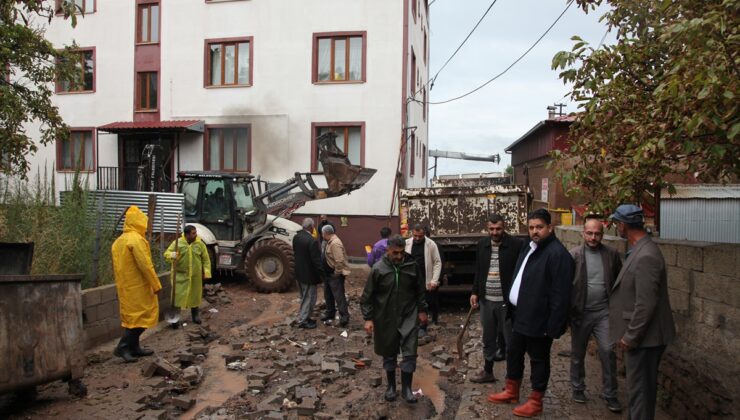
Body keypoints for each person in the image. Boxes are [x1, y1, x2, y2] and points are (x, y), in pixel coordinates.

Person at [488, 208, 574, 417]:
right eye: (531, 227)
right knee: (513, 352)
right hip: (519, 314)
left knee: (538, 359)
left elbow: (561, 296)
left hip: (540, 319)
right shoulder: (529, 246)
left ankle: (536, 401)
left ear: (550, 228)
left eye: (539, 227)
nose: (535, 231)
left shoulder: (557, 254)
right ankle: (511, 390)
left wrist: (553, 327)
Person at [610, 204, 675, 420]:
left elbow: (646, 303)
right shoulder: (638, 249)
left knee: (642, 394)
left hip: (646, 339)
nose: (616, 227)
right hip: (643, 338)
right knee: (637, 392)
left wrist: (630, 337)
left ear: (623, 225)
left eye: (617, 222)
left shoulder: (646, 255)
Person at [361, 234, 428, 404]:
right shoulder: (378, 269)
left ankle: (406, 389)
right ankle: (391, 386)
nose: (399, 256)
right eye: (395, 253)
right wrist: (368, 319)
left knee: (410, 352)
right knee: (389, 352)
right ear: (387, 251)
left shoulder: (412, 266)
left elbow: (420, 290)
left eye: (401, 253)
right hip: (385, 316)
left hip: (408, 314)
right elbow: (367, 296)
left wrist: (422, 310)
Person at [569, 216, 623, 412]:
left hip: (603, 312)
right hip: (580, 312)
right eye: (589, 233)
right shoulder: (573, 255)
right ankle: (577, 388)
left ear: (603, 234)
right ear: (583, 233)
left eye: (597, 233)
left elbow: (619, 281)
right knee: (577, 353)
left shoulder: (612, 254)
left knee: (608, 351)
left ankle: (610, 394)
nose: (593, 237)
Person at [469, 215, 524, 383]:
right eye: (491, 229)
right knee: (488, 338)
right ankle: (488, 371)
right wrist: (475, 292)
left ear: (504, 227)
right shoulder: (482, 245)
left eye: (498, 229)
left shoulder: (515, 245)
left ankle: (512, 377)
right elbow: (478, 270)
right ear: (487, 228)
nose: (495, 232)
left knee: (510, 340)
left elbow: (521, 272)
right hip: (487, 300)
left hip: (507, 303)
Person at [111, 205, 162, 363]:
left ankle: (134, 347)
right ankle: (123, 347)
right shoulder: (136, 240)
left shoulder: (119, 241)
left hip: (126, 287)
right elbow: (145, 265)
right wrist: (156, 284)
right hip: (138, 286)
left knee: (132, 318)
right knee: (142, 317)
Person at [165, 225, 211, 326]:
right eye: (193, 233)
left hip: (195, 276)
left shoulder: (199, 244)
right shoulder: (178, 243)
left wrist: (206, 272)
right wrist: (173, 255)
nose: (196, 235)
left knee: (194, 296)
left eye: (195, 232)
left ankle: (195, 316)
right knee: (177, 297)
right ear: (187, 234)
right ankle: (175, 319)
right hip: (180, 276)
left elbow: (206, 259)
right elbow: (167, 254)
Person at [404, 224, 441, 331]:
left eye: (420, 236)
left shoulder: (431, 244)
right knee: (410, 302)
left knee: (424, 302)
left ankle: (423, 327)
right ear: (412, 233)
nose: (417, 238)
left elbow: (437, 262)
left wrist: (434, 280)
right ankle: (412, 326)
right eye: (415, 236)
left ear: (424, 234)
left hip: (425, 278)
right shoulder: (407, 243)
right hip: (410, 278)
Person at [292, 217, 324, 329]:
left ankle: (305, 316)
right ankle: (303, 321)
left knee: (303, 297)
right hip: (309, 275)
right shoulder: (312, 241)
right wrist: (323, 276)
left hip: (298, 273)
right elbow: (316, 261)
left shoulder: (296, 237)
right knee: (309, 298)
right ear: (311, 227)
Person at [321, 224, 351, 327]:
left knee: (339, 296)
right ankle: (330, 313)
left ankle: (344, 317)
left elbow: (340, 261)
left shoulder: (335, 243)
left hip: (334, 275)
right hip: (328, 274)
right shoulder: (329, 242)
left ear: (326, 233)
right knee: (328, 295)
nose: (322, 235)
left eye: (322, 233)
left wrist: (336, 273)